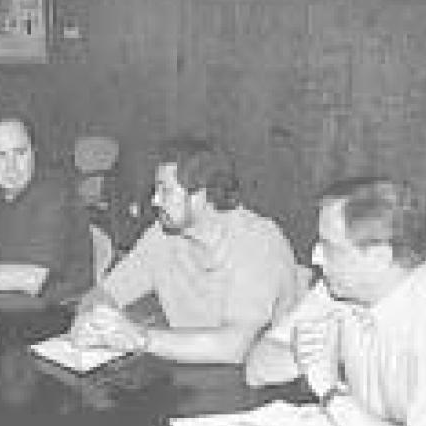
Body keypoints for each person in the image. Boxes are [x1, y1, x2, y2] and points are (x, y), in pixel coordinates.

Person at [246, 177, 426, 426]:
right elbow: (257, 367)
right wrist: (306, 355)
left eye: (329, 247)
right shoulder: (339, 290)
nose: (315, 257)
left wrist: (329, 390)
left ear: (378, 258)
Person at [70, 136, 301, 364]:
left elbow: (235, 347)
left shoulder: (259, 242)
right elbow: (105, 293)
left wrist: (139, 338)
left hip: (257, 378)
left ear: (203, 194)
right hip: (193, 372)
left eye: (166, 191)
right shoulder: (162, 236)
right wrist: (90, 321)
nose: (155, 201)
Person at [0, 115, 93, 302]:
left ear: (34, 152)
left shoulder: (55, 195)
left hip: (53, 307)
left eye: (20, 153)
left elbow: (31, 280)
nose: (11, 167)